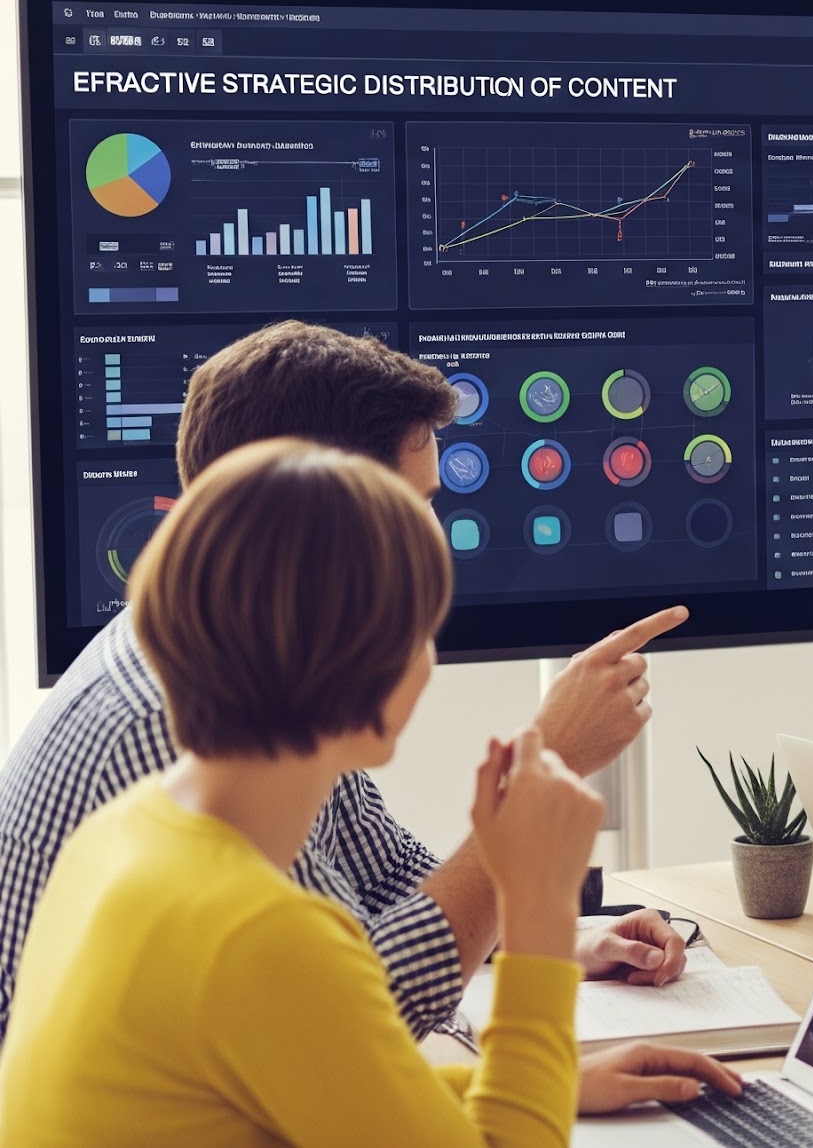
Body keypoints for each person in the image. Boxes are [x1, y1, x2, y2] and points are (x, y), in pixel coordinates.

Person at [0, 441, 743, 1143]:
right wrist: (538, 911)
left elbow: (320, 1078)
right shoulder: (261, 935)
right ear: (377, 679)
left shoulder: (127, 830)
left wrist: (541, 1080)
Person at [0, 321, 692, 1044]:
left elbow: (379, 873)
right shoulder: (175, 727)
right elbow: (356, 1013)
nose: (434, 536)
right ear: (321, 515)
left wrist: (554, 938)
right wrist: (546, 766)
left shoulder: (245, 653)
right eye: (413, 507)